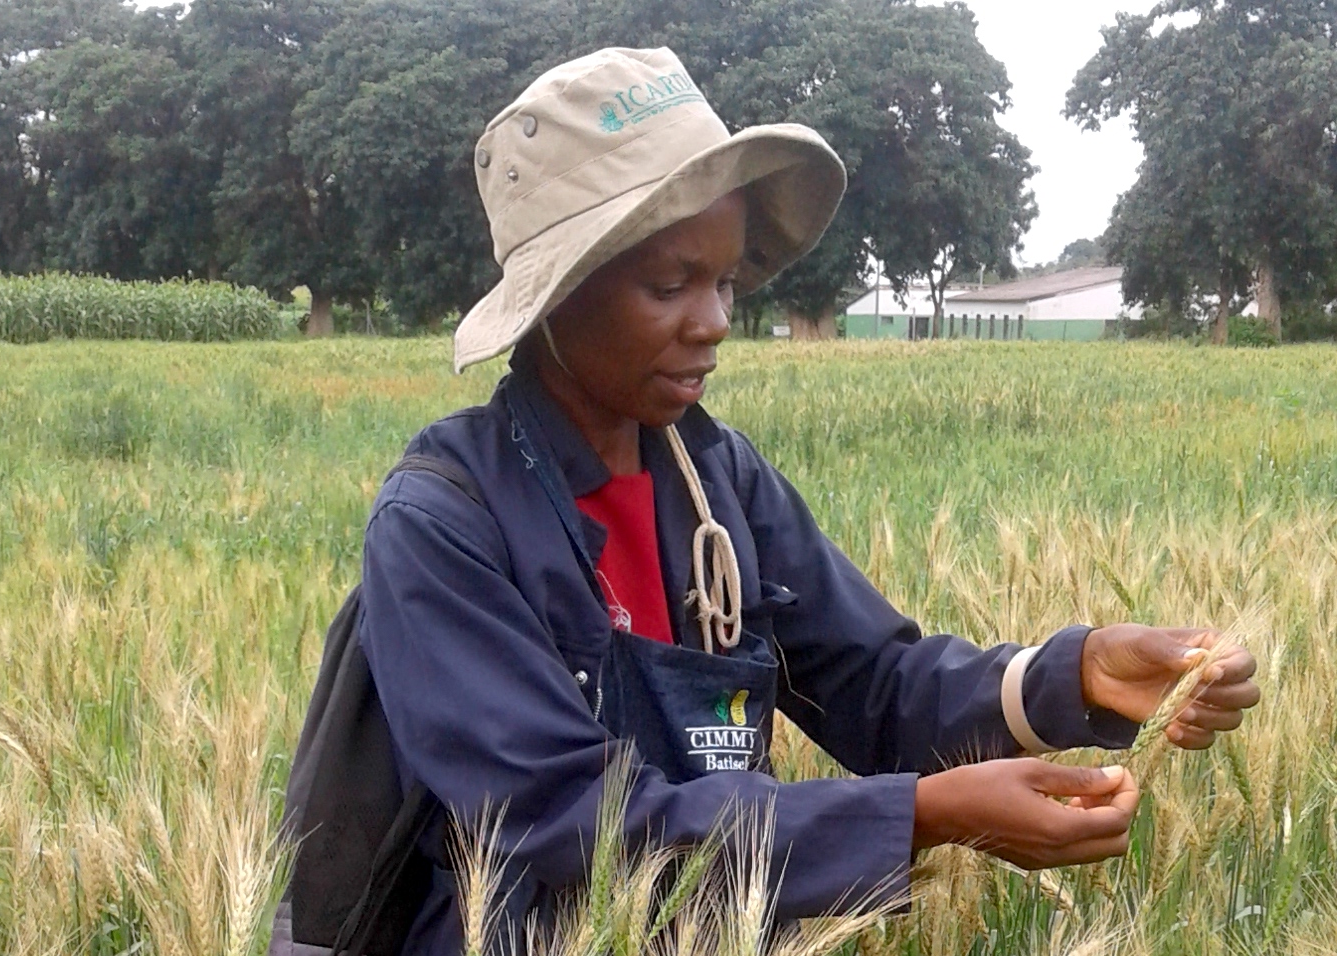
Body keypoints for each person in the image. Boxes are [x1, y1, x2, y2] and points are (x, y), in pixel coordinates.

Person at [360, 47, 1260, 956]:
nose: (713, 320)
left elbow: (879, 687)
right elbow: (567, 822)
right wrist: (915, 819)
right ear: (555, 296)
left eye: (727, 282)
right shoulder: (444, 525)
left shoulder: (718, 484)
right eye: (670, 284)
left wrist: (1079, 674)